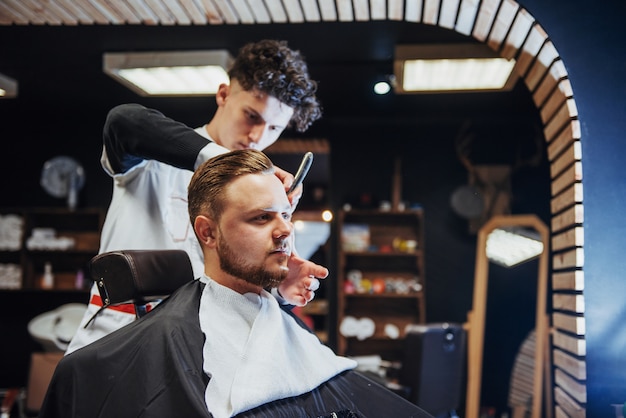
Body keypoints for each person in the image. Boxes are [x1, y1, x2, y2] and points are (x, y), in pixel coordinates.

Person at [40, 149, 431, 418]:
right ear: (207, 233)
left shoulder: (270, 312)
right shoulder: (169, 339)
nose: (285, 230)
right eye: (261, 218)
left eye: (284, 215)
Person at [66, 39, 328, 355]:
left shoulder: (261, 196)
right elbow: (123, 121)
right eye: (252, 116)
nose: (258, 137)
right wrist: (219, 159)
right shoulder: (152, 162)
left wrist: (280, 285)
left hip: (188, 358)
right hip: (113, 343)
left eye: (274, 127)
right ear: (223, 94)